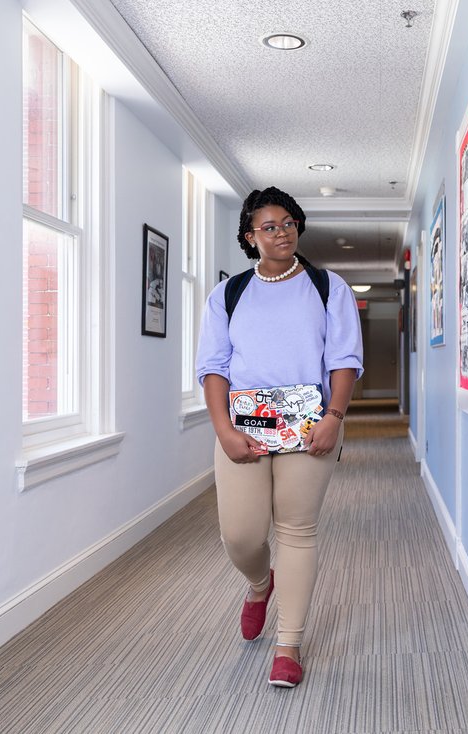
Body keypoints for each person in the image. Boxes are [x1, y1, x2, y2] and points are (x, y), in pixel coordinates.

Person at [195, 186, 363, 688]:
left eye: (288, 222)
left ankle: (288, 644)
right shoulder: (228, 294)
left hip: (310, 422)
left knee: (296, 529)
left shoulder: (328, 286)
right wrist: (223, 430)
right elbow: (212, 368)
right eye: (269, 226)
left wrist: (334, 417)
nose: (282, 232)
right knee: (241, 535)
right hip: (245, 425)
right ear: (250, 237)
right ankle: (257, 583)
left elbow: (344, 359)